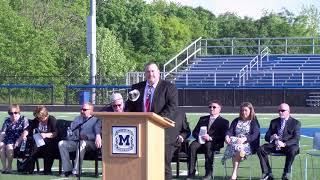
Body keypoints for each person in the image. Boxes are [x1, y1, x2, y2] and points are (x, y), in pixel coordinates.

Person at [126, 62, 178, 180]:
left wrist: (155, 121)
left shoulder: (169, 88)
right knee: (140, 163)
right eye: (148, 72)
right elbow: (129, 107)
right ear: (145, 74)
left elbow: (172, 107)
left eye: (153, 71)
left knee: (163, 166)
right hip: (140, 132)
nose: (151, 74)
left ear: (158, 73)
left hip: (162, 132)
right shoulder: (136, 88)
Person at [187, 100, 229, 180]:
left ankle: (208, 173)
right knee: (192, 146)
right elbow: (195, 132)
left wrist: (210, 138)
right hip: (201, 141)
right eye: (210, 107)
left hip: (214, 143)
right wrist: (200, 137)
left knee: (208, 145)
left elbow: (223, 136)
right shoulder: (202, 119)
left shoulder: (224, 122)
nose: (211, 109)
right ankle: (191, 172)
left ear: (219, 109)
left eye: (214, 107)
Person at [257, 103, 301, 180]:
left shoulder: (296, 123)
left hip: (288, 147)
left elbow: (296, 138)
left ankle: (286, 174)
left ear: (288, 111)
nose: (280, 112)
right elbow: (267, 137)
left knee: (294, 149)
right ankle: (268, 174)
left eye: (283, 110)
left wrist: (284, 144)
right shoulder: (274, 122)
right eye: (279, 110)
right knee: (261, 149)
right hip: (275, 145)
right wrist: (271, 137)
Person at [58, 102, 102, 177]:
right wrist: (71, 136)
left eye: (84, 109)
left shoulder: (96, 120)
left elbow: (99, 135)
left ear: (91, 110)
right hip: (77, 141)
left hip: (91, 143)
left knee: (81, 143)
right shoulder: (77, 119)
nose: (82, 111)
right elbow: (72, 131)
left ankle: (76, 171)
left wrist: (87, 136)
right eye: (81, 109)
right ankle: (67, 170)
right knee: (61, 144)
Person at [221, 102, 260, 180]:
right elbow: (230, 131)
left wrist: (245, 139)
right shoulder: (236, 120)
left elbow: (255, 135)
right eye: (242, 110)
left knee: (237, 148)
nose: (243, 112)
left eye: (245, 110)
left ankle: (234, 173)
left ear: (250, 111)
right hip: (236, 142)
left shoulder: (254, 121)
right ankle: (241, 155)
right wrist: (227, 136)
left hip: (248, 144)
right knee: (236, 147)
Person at [24, 105, 58, 175]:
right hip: (38, 142)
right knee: (33, 146)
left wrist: (46, 135)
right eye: (37, 118)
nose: (38, 119)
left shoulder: (52, 119)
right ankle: (29, 169)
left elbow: (55, 133)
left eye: (40, 118)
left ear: (45, 115)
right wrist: (24, 134)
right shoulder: (36, 120)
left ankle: (47, 170)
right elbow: (28, 128)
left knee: (48, 147)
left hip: (50, 142)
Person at [0, 104, 29, 174]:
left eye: (15, 112)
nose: (13, 115)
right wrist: (0, 140)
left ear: (18, 112)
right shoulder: (7, 120)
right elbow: (3, 132)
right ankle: (4, 167)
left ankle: (9, 167)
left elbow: (26, 131)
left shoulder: (23, 119)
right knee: (1, 145)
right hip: (8, 138)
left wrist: (19, 140)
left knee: (9, 146)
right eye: (11, 113)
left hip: (18, 139)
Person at [166, 110, 191, 180]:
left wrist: (182, 136)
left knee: (165, 157)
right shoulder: (155, 111)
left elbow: (186, 131)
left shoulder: (180, 114)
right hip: (155, 142)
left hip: (174, 143)